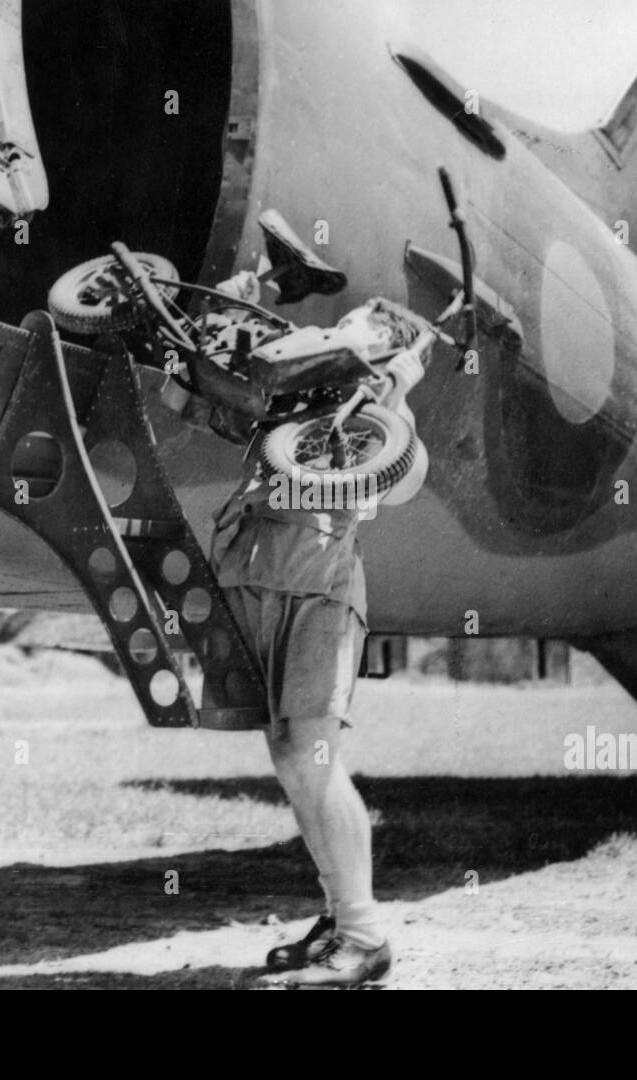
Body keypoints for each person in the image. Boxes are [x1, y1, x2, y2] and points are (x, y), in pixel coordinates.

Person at [204, 292, 429, 986]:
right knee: (291, 755)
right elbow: (211, 403)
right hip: (254, 580)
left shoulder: (381, 417)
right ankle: (340, 917)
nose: (351, 330)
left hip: (318, 594)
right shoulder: (286, 405)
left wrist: (392, 394)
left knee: (314, 755)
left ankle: (363, 936)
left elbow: (398, 486)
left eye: (371, 329)